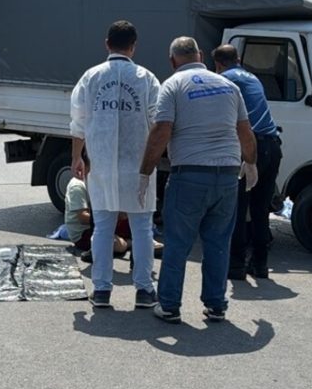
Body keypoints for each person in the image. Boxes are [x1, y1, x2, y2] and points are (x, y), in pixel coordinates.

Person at [139, 36, 257, 324]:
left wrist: (145, 172)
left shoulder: (173, 85)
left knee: (178, 243)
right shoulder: (229, 87)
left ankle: (169, 305)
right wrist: (251, 163)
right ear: (201, 55)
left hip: (190, 175)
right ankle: (216, 305)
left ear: (172, 61)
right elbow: (245, 131)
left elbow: (161, 132)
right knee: (218, 243)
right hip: (227, 177)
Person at [70, 20, 160, 310]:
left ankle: (102, 290)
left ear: (107, 43)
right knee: (142, 227)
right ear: (133, 46)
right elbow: (159, 122)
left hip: (103, 164)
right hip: (139, 165)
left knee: (104, 228)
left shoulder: (91, 77)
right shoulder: (146, 78)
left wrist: (77, 157)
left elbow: (78, 122)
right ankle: (144, 290)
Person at [212, 45, 284, 279]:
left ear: (218, 64)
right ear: (239, 59)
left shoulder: (224, 79)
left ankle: (235, 266)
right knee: (260, 209)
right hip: (272, 146)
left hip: (251, 146)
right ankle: (260, 265)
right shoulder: (252, 77)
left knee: (238, 208)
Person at [64, 175, 129, 261]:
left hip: (101, 224)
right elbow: (82, 217)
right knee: (120, 246)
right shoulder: (77, 186)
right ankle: (131, 244)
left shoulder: (98, 180)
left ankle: (146, 244)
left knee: (133, 223)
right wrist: (112, 218)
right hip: (83, 233)